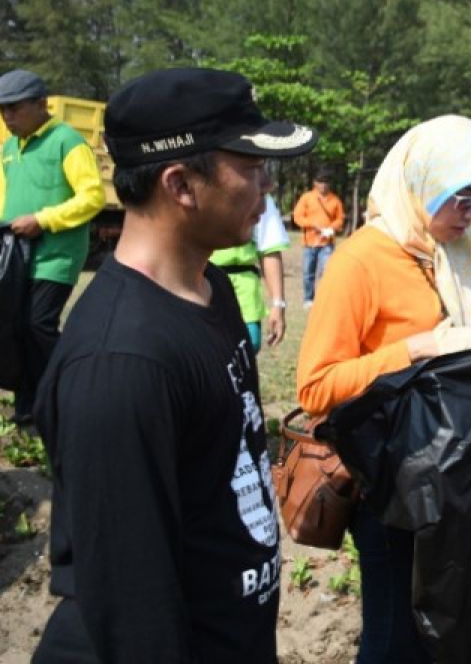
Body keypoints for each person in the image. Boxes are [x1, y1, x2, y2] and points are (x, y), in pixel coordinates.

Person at [32, 67, 317, 661]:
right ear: (182, 185)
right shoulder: (121, 364)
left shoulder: (209, 290)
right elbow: (134, 609)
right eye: (252, 167)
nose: (268, 188)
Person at [296, 115, 471, 664]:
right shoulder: (361, 260)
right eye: (462, 197)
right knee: (393, 640)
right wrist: (414, 350)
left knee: (454, 633)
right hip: (391, 490)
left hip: (464, 486)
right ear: (418, 186)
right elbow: (316, 386)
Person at [0, 69, 105, 425]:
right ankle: (28, 409)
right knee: (16, 327)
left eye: (14, 108)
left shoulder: (67, 141)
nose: (7, 117)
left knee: (38, 325)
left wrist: (42, 220)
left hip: (55, 256)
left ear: (41, 104)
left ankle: (73, 392)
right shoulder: (9, 148)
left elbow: (92, 197)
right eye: (3, 110)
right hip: (16, 257)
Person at [210, 192, 290, 351]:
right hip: (198, 285)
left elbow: (269, 248)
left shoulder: (258, 193)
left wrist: (278, 304)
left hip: (244, 292)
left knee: (248, 347)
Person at [292, 168, 344, 307]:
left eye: (326, 182)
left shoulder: (335, 200)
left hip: (327, 243)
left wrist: (331, 229)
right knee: (308, 272)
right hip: (309, 242)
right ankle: (309, 299)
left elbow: (340, 219)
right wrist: (311, 225)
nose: (323, 185)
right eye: (320, 182)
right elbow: (297, 217)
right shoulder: (307, 197)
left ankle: (324, 299)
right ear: (315, 183)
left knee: (327, 272)